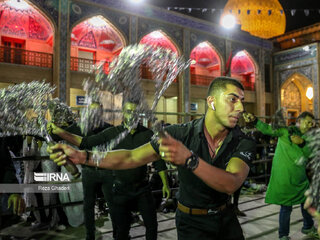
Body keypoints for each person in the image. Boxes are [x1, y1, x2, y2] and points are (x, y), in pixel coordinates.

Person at [48, 76, 256, 240]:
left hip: (226, 219)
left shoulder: (242, 140)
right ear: (211, 102)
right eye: (232, 99)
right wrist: (82, 156)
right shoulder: (180, 133)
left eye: (242, 101)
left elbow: (232, 183)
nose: (240, 107)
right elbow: (131, 156)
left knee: (151, 227)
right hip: (191, 222)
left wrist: (189, 160)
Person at [50, 100, 171, 240]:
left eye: (135, 112)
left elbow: (159, 160)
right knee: (118, 226)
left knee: (150, 226)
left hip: (138, 187)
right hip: (112, 184)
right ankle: (92, 235)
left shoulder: (145, 134)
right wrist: (58, 131)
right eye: (129, 111)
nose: (132, 115)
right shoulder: (109, 132)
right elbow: (86, 142)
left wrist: (165, 183)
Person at [243, 111, 317, 240]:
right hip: (285, 178)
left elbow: (311, 154)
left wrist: (302, 143)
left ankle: (308, 226)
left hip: (300, 179)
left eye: (312, 123)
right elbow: (268, 129)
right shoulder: (285, 132)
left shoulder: (310, 138)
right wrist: (255, 121)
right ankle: (283, 235)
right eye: (307, 122)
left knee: (306, 203)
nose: (310, 125)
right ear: (299, 122)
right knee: (286, 207)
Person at [48, 101, 114, 240]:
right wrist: (49, 128)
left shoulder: (109, 129)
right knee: (88, 206)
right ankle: (90, 235)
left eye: (97, 111)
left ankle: (118, 233)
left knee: (113, 204)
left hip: (106, 171)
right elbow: (58, 135)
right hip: (88, 172)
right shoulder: (78, 127)